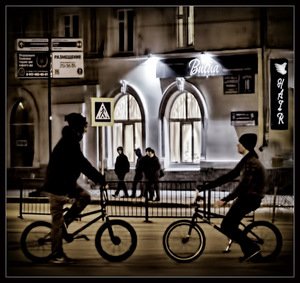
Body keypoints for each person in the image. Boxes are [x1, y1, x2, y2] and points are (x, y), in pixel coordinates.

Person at [41, 113, 106, 264]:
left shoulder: (71, 141)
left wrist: (98, 179)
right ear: (77, 128)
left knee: (85, 196)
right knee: (56, 221)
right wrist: (100, 179)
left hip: (66, 183)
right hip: (57, 186)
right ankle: (56, 255)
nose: (84, 130)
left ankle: (66, 221)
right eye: (83, 127)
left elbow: (81, 163)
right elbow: (83, 164)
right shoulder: (69, 143)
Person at [196, 133, 266, 262]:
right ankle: (250, 252)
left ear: (244, 145)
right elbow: (229, 176)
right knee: (229, 226)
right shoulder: (247, 160)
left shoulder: (251, 163)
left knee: (227, 227)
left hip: (249, 199)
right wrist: (205, 187)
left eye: (239, 143)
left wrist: (225, 200)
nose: (237, 145)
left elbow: (243, 186)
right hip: (246, 198)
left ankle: (253, 249)